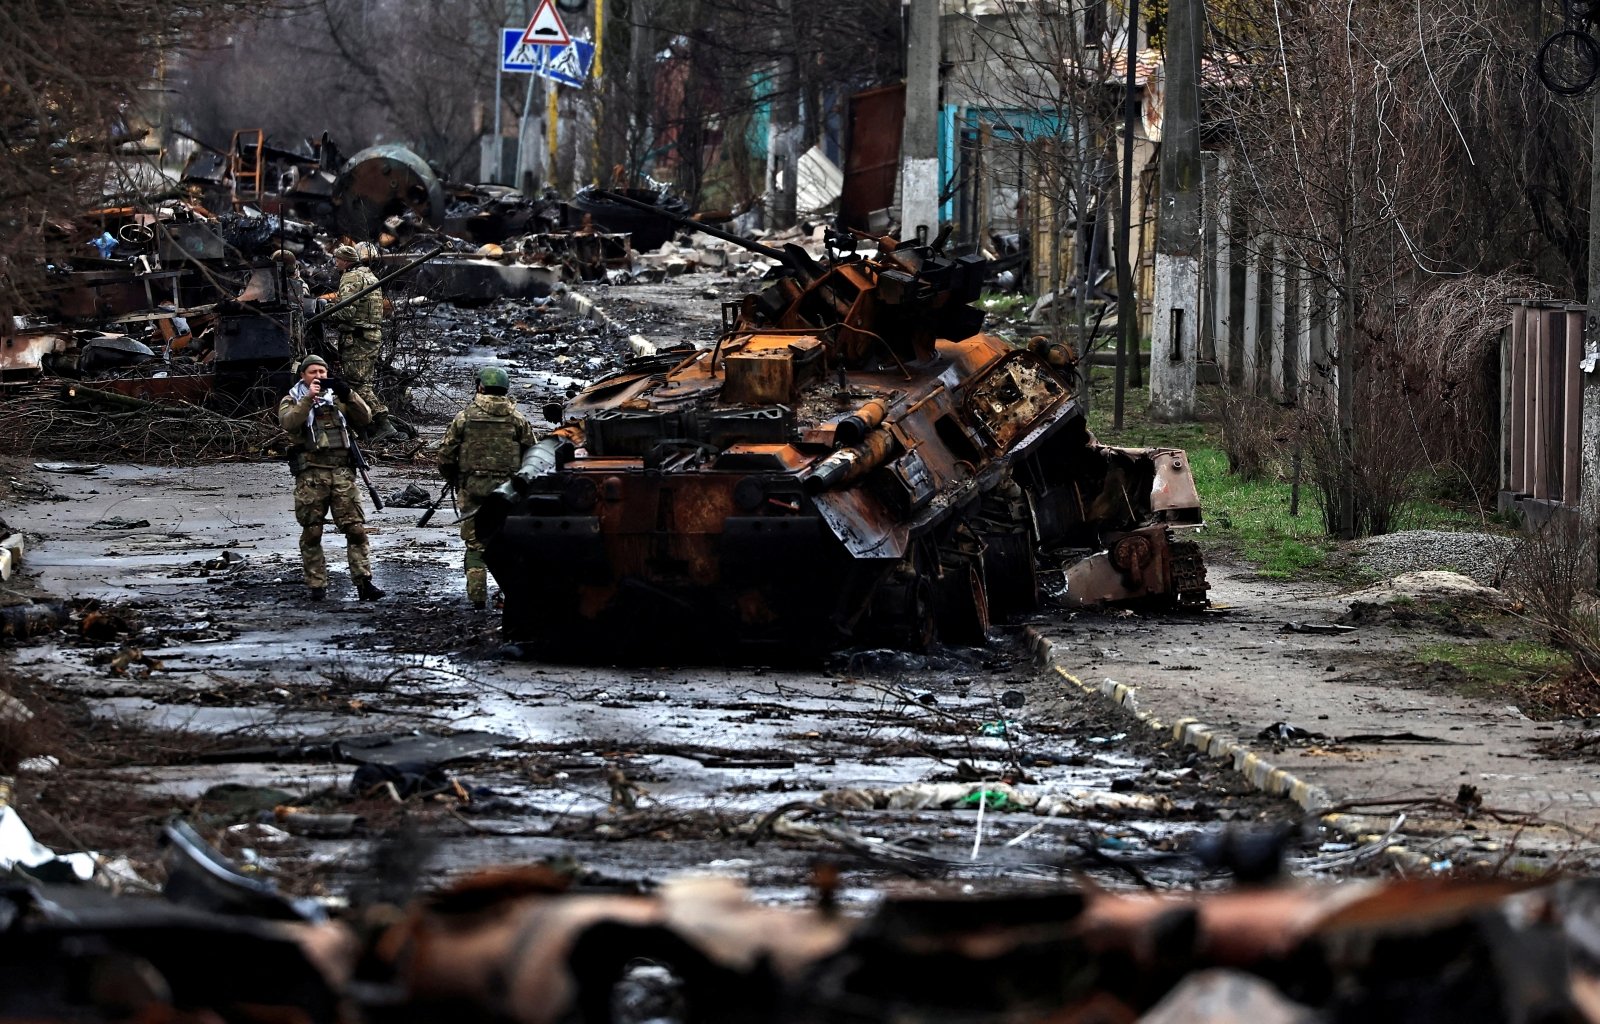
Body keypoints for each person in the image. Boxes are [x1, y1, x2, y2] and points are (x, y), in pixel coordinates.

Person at [278, 355, 386, 602]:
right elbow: (289, 423)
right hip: (311, 475)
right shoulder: (291, 399)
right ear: (303, 376)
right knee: (312, 532)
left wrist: (349, 393)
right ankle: (317, 585)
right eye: (313, 372)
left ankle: (364, 582)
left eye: (322, 372)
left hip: (342, 473)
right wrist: (308, 399)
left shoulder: (338, 399)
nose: (319, 376)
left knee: (356, 529)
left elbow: (365, 418)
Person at [436, 366, 536, 610]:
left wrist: (455, 478)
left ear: (480, 386)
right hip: (508, 495)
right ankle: (510, 597)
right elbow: (532, 455)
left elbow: (446, 455)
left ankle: (477, 600)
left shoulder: (464, 417)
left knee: (475, 547)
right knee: (508, 545)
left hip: (472, 491)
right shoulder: (517, 419)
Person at [325, 243, 400, 443]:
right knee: (363, 382)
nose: (336, 263)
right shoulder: (370, 275)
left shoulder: (350, 277)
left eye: (338, 260)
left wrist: (325, 313)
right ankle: (372, 426)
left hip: (357, 337)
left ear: (346, 261)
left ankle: (383, 423)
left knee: (357, 384)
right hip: (370, 336)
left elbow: (347, 311)